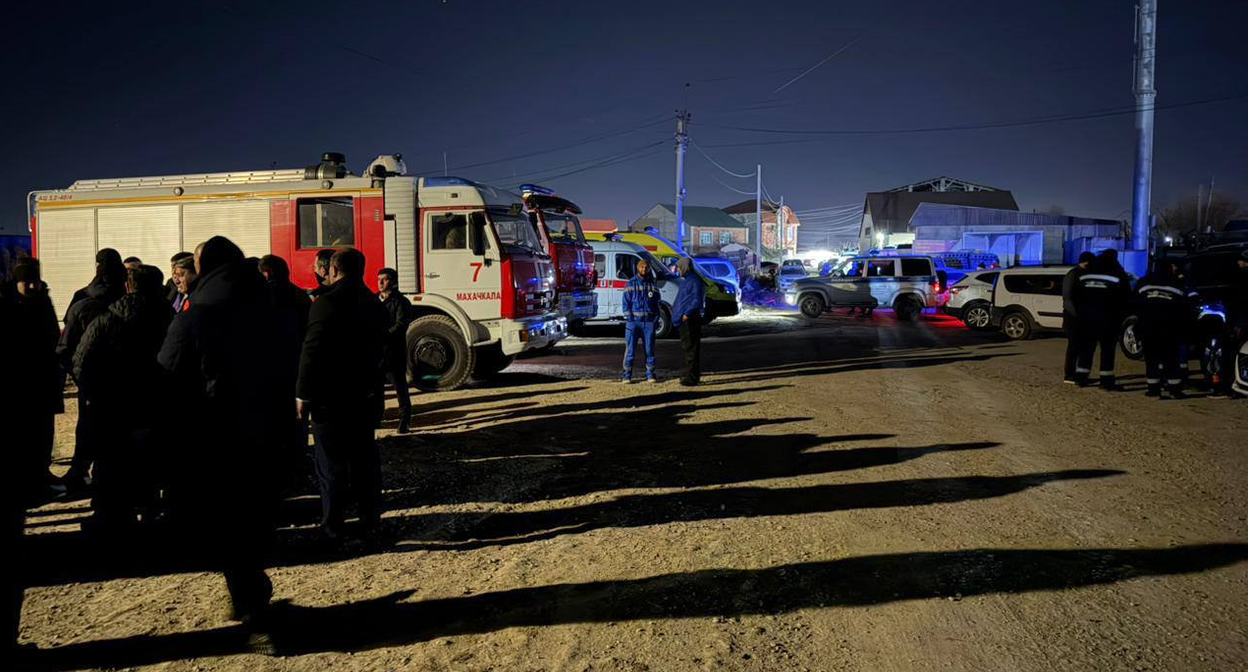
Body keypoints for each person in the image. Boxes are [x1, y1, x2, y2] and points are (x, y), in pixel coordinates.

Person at [158, 236, 292, 640]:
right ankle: (252, 594)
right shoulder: (274, 308)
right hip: (269, 432)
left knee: (226, 522)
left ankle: (254, 610)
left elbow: (166, 375)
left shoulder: (196, 316)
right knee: (255, 517)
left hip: (215, 437)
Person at [73, 264, 175, 527]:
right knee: (152, 460)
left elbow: (81, 361)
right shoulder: (173, 319)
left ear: (128, 286)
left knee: (113, 460)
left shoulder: (108, 319)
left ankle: (114, 515)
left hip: (113, 405)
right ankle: (150, 508)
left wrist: (93, 394)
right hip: (157, 403)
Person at [297, 248, 389, 540]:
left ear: (333, 270)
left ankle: (333, 524)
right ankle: (370, 519)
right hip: (365, 394)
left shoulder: (325, 303)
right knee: (364, 460)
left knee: (331, 463)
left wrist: (303, 393)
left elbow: (311, 352)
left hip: (331, 397)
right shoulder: (375, 304)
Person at [58, 248, 127, 492]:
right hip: (123, 377)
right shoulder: (126, 295)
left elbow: (66, 345)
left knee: (87, 426)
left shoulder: (82, 297)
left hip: (90, 376)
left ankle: (78, 472)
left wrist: (77, 373)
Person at [1, 259, 64, 502]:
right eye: (26, 282)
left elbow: (51, 335)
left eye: (35, 281)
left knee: (44, 431)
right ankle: (28, 482)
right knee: (22, 435)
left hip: (43, 378)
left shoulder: (43, 300)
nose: (32, 286)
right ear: (15, 282)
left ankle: (42, 474)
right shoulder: (7, 304)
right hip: (17, 384)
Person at [1133, 260, 1197, 399]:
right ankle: (1174, 389)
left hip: (1148, 328)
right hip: (1169, 329)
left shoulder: (1145, 285)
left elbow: (1135, 305)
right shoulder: (1177, 285)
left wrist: (1139, 326)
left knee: (1151, 359)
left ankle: (1153, 388)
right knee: (1171, 359)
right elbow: (1186, 309)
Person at [1072, 250, 1130, 390]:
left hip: (1086, 319)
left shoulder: (1085, 275)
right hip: (1108, 319)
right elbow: (1125, 297)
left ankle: (1081, 377)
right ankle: (1106, 380)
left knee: (1086, 349)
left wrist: (1081, 313)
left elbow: (1075, 295)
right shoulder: (1117, 275)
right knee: (1107, 350)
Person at [377, 267, 413, 432]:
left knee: (400, 389)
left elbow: (401, 325)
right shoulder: (373, 300)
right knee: (376, 390)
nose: (380, 283)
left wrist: (382, 335)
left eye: (384, 279)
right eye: (379, 279)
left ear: (393, 281)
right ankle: (376, 418)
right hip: (376, 353)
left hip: (394, 352)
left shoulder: (401, 302)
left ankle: (404, 420)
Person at [1212, 249, 1248, 398]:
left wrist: (1237, 325)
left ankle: (1229, 386)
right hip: (1238, 322)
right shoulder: (1240, 278)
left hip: (1238, 323)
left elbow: (1239, 303)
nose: (1238, 263)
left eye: (1240, 260)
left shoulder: (1241, 279)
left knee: (1231, 355)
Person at [620, 258, 660, 383]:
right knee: (630, 351)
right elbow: (625, 303)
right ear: (638, 268)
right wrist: (630, 318)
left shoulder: (652, 284)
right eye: (642, 267)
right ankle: (627, 375)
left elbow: (657, 303)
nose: (644, 269)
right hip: (633, 323)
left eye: (646, 267)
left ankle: (650, 374)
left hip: (648, 323)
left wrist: (655, 319)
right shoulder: (631, 284)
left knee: (649, 350)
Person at [1062, 252, 1095, 384]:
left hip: (1079, 315)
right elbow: (1067, 296)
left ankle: (1079, 375)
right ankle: (1069, 375)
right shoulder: (1074, 274)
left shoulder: (1079, 273)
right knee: (1074, 346)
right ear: (1086, 262)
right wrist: (1076, 314)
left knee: (1081, 346)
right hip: (1073, 317)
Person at [672, 257, 706, 387]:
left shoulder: (694, 281)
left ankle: (692, 377)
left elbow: (696, 299)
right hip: (685, 319)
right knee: (688, 348)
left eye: (679, 267)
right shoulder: (688, 280)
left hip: (690, 319)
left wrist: (686, 314)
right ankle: (690, 375)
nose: (678, 270)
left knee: (691, 349)